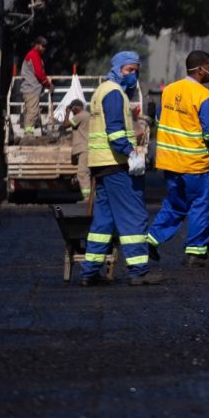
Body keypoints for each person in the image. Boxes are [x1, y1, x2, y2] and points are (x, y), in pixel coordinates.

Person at [78, 51, 162, 286]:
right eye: (129, 70)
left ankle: (89, 271)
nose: (133, 75)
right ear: (117, 69)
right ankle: (138, 271)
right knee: (133, 215)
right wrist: (131, 151)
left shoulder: (102, 91)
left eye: (136, 70)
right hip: (116, 164)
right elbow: (115, 133)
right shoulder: (115, 94)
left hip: (101, 164)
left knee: (103, 221)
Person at [146, 50, 209, 267]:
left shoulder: (169, 90)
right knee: (200, 204)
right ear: (201, 70)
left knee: (176, 202)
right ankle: (196, 253)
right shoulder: (204, 97)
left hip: (170, 162)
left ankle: (151, 240)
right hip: (194, 164)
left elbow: (161, 120)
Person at [19, 36, 53, 136]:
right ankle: (28, 133)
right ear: (37, 45)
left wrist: (46, 83)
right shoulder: (33, 55)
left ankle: (29, 132)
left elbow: (39, 73)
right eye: (43, 46)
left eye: (45, 47)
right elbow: (39, 73)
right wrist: (48, 84)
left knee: (32, 111)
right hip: (31, 89)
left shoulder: (34, 55)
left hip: (32, 89)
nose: (44, 49)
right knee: (32, 112)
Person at [67, 100, 91, 200]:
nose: (72, 112)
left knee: (82, 173)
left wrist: (67, 112)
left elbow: (65, 125)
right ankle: (90, 195)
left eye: (72, 110)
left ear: (76, 108)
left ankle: (87, 197)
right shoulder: (88, 115)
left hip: (84, 149)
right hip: (88, 148)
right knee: (88, 173)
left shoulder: (80, 115)